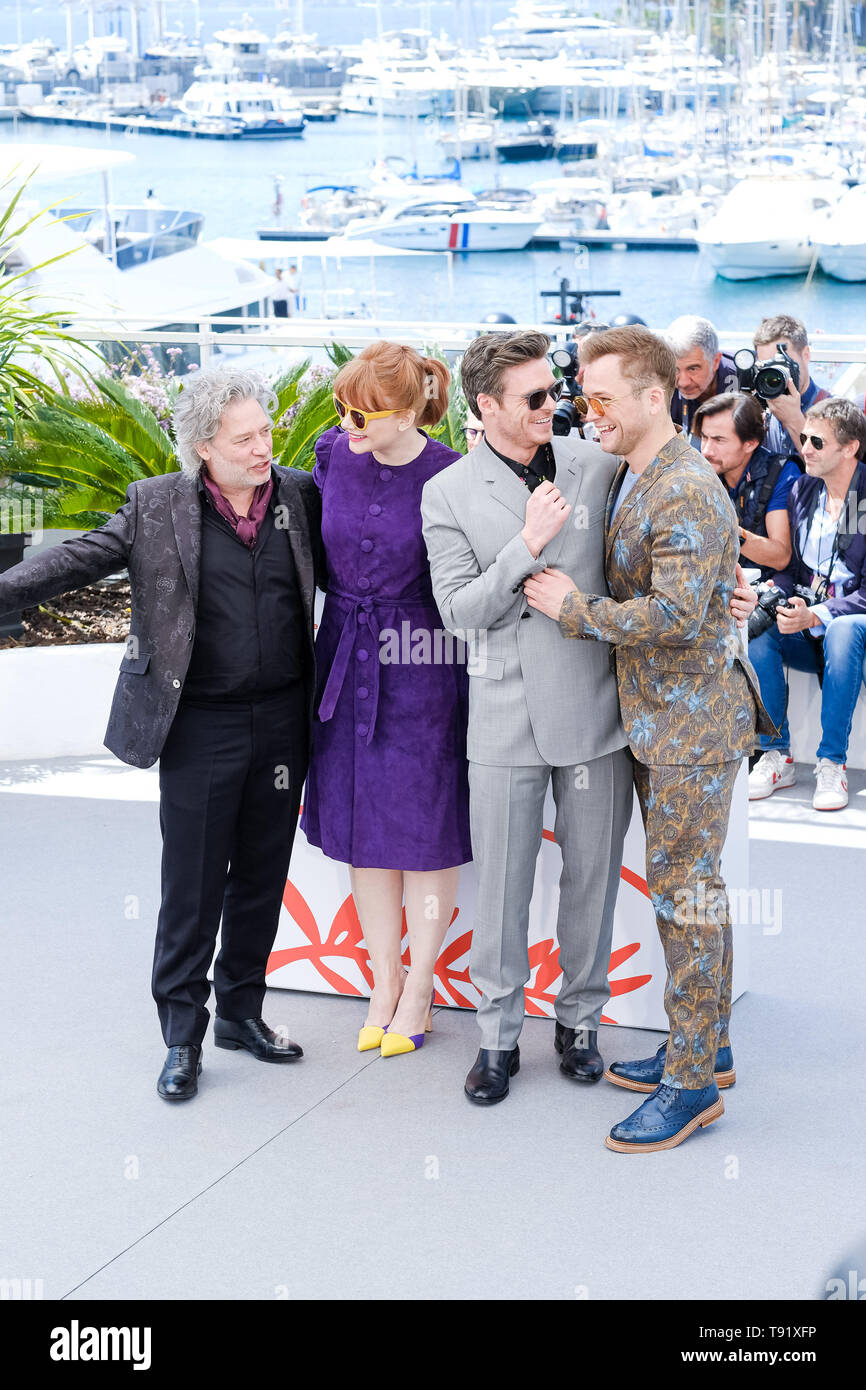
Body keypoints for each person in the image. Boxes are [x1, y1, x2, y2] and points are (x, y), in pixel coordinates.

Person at [0, 368, 324, 1101]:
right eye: (245, 439)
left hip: (283, 719)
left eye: (267, 431)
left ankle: (241, 1013)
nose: (264, 447)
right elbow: (77, 558)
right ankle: (183, 1035)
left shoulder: (299, 496)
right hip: (199, 722)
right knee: (193, 884)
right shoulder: (156, 505)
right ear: (204, 446)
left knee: (262, 877)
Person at [524, 325, 772, 1153]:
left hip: (689, 729)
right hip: (663, 722)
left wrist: (574, 610)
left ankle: (692, 1082)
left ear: (654, 396)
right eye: (584, 396)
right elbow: (698, 592)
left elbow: (676, 617)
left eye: (602, 399)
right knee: (688, 893)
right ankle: (710, 1047)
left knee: (685, 898)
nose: (588, 411)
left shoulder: (683, 487)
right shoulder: (646, 471)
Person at [422, 330, 634, 1106]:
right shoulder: (446, 492)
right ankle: (497, 1038)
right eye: (536, 396)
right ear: (486, 405)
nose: (554, 406)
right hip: (504, 718)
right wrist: (525, 546)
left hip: (595, 712)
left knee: (592, 884)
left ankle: (580, 1023)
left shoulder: (598, 466)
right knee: (504, 893)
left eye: (556, 391)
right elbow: (458, 613)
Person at [300, 342, 473, 1058]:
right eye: (342, 408)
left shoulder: (452, 475)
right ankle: (384, 980)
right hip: (343, 656)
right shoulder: (332, 454)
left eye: (361, 413)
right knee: (361, 826)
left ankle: (421, 985)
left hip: (423, 666)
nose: (346, 423)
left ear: (407, 414)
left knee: (424, 831)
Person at [748, 398, 866, 812]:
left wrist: (816, 614)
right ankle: (775, 754)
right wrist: (782, 599)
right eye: (803, 439)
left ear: (850, 448)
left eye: (817, 441)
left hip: (852, 627)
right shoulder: (804, 489)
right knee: (759, 626)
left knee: (843, 629)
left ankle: (832, 762)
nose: (806, 449)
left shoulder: (864, 495)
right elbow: (793, 570)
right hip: (811, 620)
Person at [694, 391, 800, 580]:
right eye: (704, 437)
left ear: (750, 443)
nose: (707, 451)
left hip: (768, 587)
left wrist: (728, 529)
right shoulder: (699, 471)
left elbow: (781, 556)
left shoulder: (781, 473)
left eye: (719, 440)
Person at [752, 313, 830, 458]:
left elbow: (830, 468)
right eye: (767, 366)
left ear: (806, 355)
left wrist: (794, 420)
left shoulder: (832, 411)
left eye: (782, 363)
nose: (775, 375)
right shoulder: (761, 409)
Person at [665, 314, 736, 446]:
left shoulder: (743, 378)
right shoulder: (661, 386)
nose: (683, 382)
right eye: (675, 369)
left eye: (693, 369)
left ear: (715, 361)